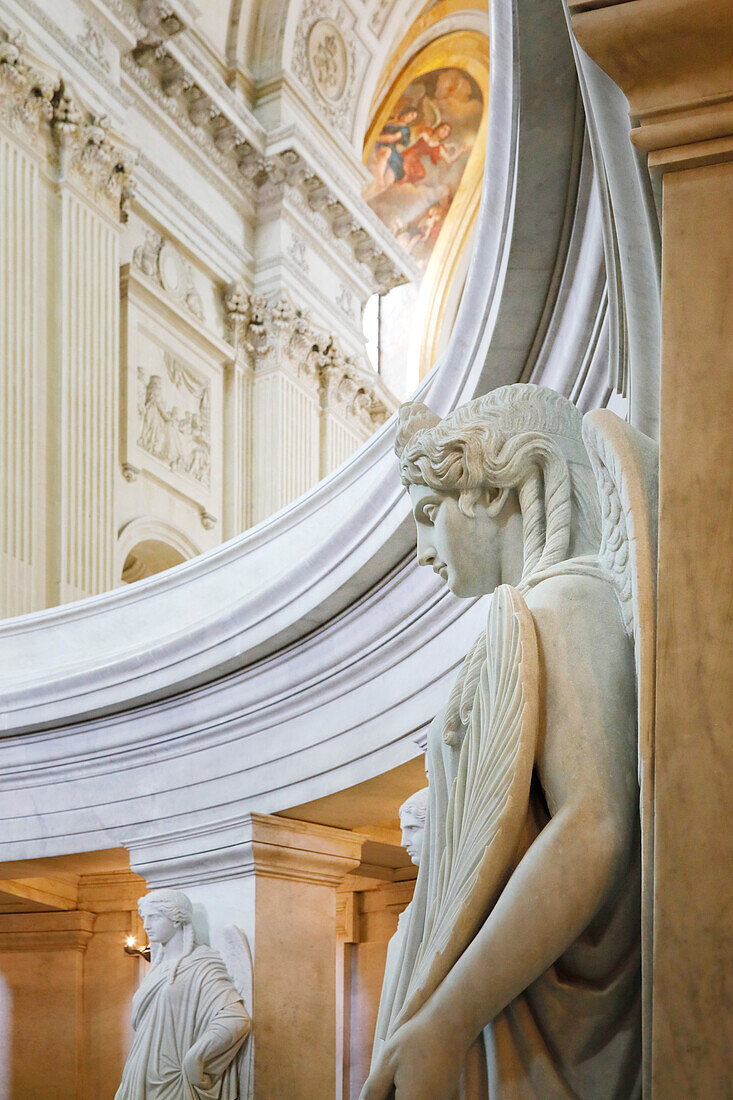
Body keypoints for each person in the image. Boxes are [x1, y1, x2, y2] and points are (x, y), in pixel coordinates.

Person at [362, 384, 644, 1100]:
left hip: (516, 1031)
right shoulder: (554, 602)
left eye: (430, 513)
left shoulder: (567, 600)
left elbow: (593, 826)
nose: (423, 550)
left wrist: (447, 1020)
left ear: (499, 486)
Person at [116, 889, 251, 1100]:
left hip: (174, 1075)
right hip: (139, 1070)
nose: (146, 925)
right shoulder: (157, 968)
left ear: (177, 919)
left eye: (155, 917)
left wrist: (196, 1056)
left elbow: (235, 1018)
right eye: (144, 918)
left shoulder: (201, 965)